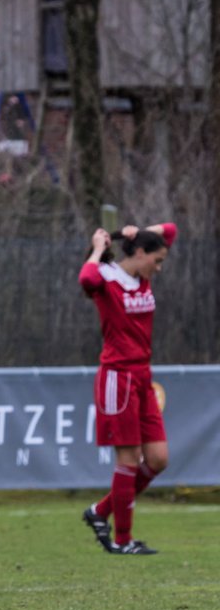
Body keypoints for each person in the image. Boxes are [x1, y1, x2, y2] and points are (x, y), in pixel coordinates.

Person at [79, 221, 176, 555]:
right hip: (117, 378)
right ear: (139, 254)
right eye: (157, 260)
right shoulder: (106, 277)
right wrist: (98, 246)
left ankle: (100, 511)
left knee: (158, 459)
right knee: (129, 459)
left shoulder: (142, 277)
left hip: (143, 377)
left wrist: (128, 231)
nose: (159, 268)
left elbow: (171, 229)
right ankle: (123, 540)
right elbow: (86, 279)